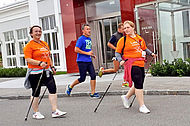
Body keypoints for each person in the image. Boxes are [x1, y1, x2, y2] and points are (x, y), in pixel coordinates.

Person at [24, 25, 67, 119]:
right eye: (36, 31)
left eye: (40, 31)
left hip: (46, 71)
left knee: (52, 89)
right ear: (31, 34)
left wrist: (52, 66)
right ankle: (36, 112)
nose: (38, 33)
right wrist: (39, 63)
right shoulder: (29, 46)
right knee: (36, 92)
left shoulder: (44, 44)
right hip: (34, 73)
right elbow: (28, 59)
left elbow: (48, 56)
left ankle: (55, 111)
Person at [115, 20, 156, 114]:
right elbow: (117, 52)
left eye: (128, 27)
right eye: (124, 28)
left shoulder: (139, 38)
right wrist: (120, 60)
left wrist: (151, 53)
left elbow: (144, 48)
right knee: (138, 82)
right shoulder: (123, 40)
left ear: (133, 28)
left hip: (141, 63)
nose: (126, 30)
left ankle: (126, 97)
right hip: (131, 64)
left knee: (139, 82)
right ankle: (142, 106)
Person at [65, 24, 100, 99]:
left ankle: (93, 93)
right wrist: (87, 53)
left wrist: (92, 55)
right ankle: (70, 86)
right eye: (87, 29)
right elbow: (76, 49)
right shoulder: (81, 39)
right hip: (81, 61)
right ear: (83, 31)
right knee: (82, 78)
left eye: (89, 29)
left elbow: (88, 49)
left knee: (93, 75)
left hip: (89, 60)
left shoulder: (89, 39)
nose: (89, 30)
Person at [97, 23, 128, 87]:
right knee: (115, 70)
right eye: (123, 29)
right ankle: (103, 71)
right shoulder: (115, 35)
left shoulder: (122, 35)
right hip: (116, 54)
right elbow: (109, 44)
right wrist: (116, 48)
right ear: (119, 29)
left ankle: (125, 82)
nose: (124, 30)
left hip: (122, 54)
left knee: (125, 67)